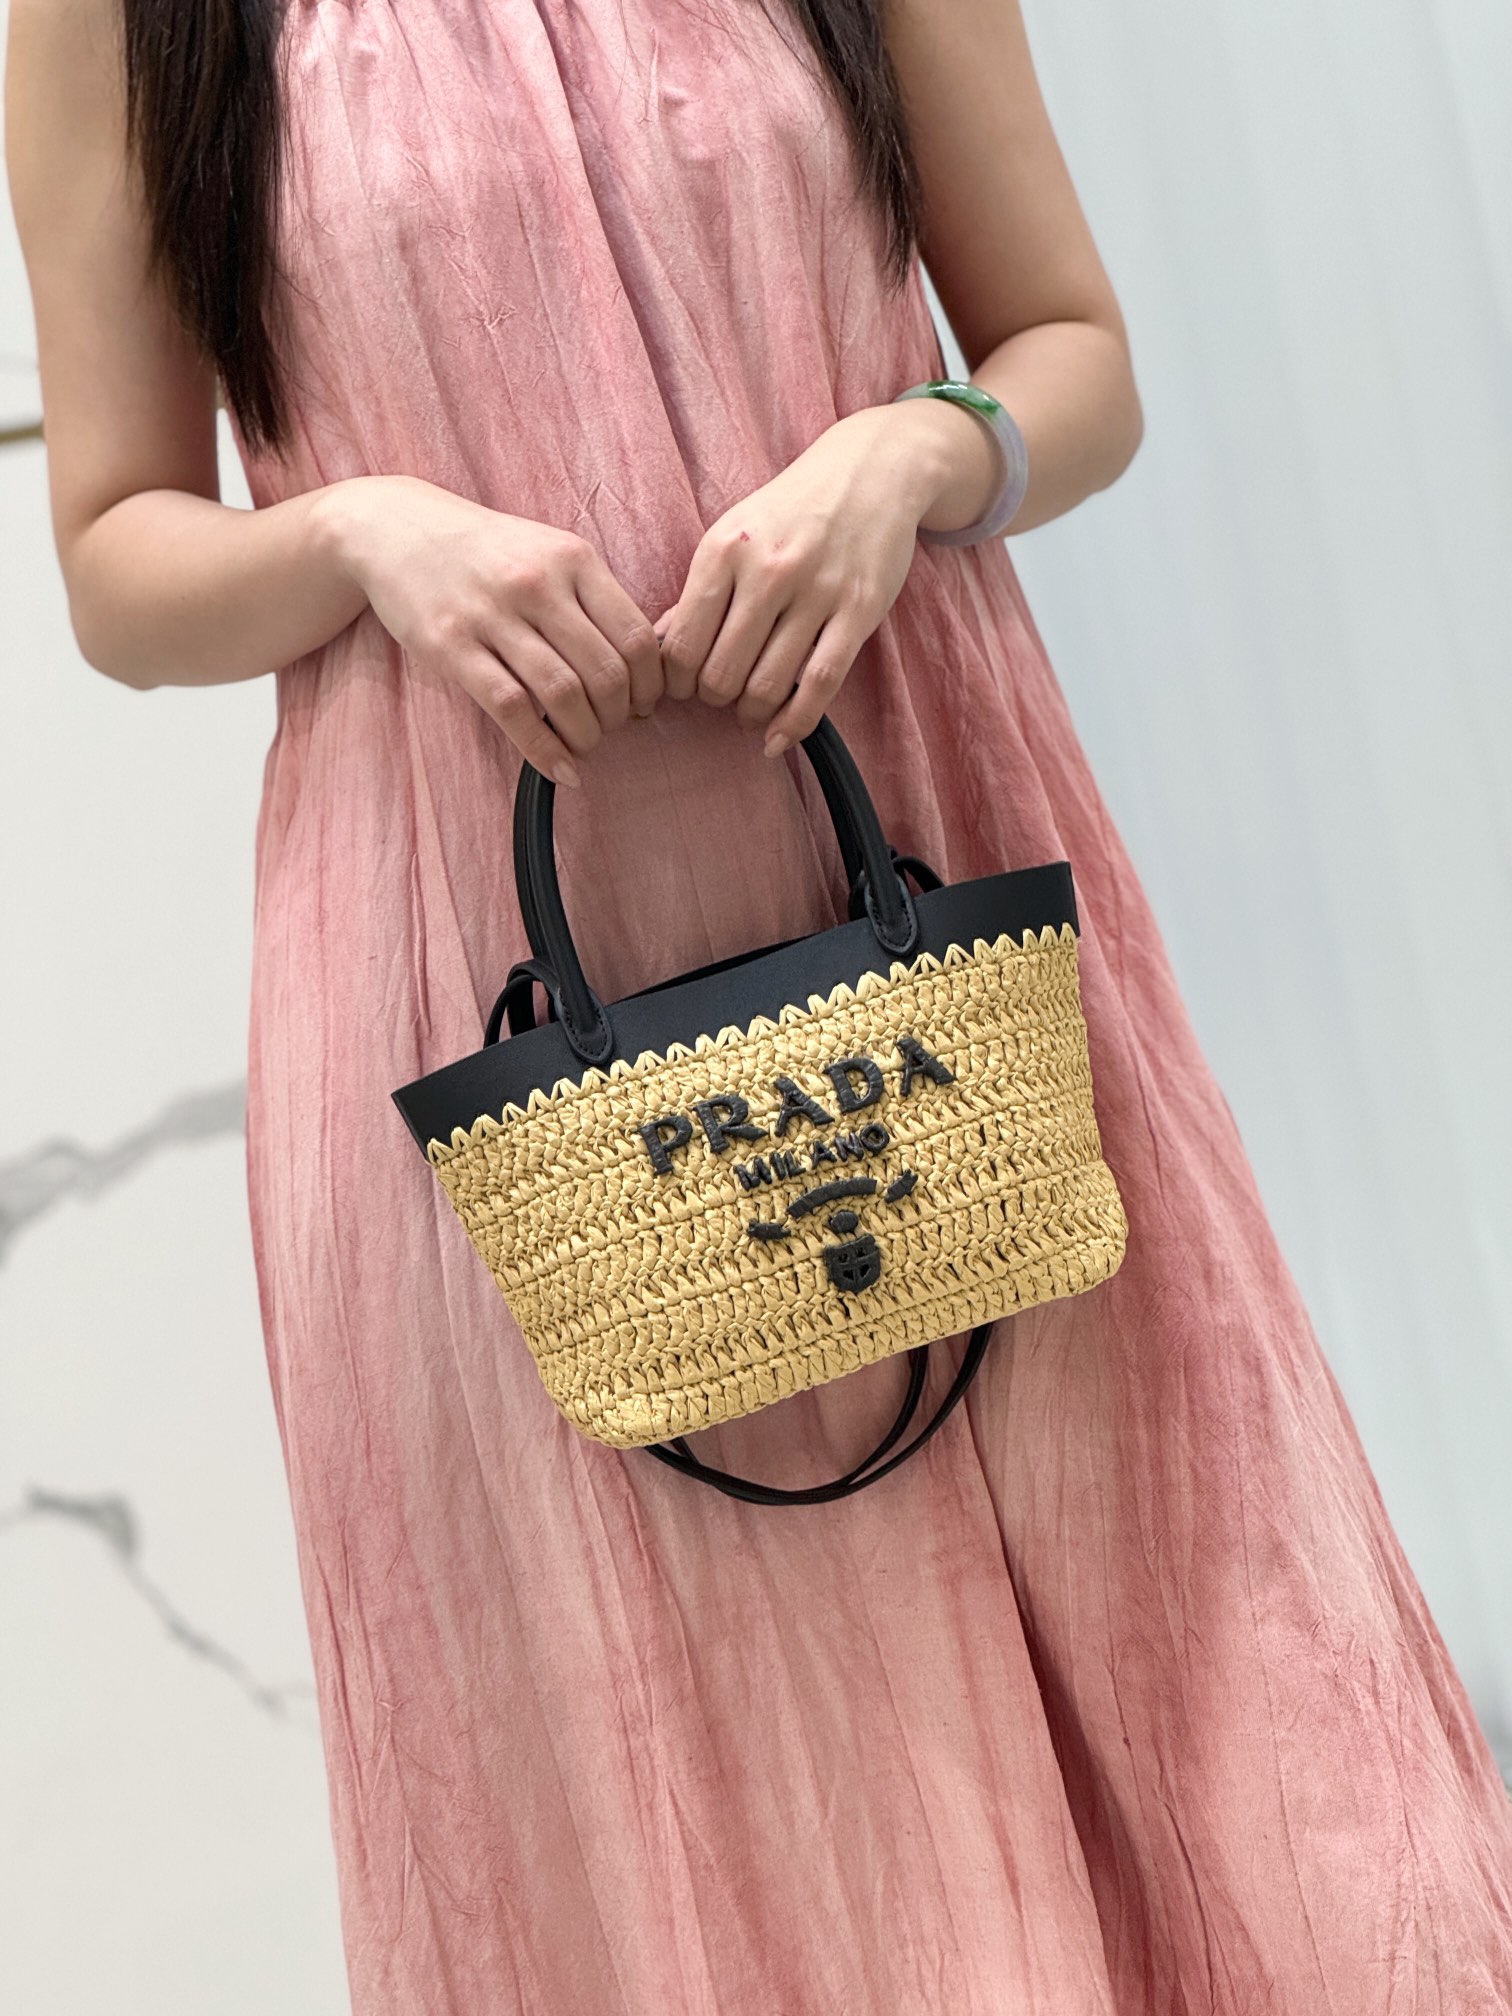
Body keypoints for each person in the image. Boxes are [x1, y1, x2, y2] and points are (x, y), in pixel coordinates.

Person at [8, 0, 1511, 2008]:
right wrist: (364, 537)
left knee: (1193, 1669)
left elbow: (1073, 362)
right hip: (479, 981)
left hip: (930, 904)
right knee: (693, 1760)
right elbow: (119, 562)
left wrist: (917, 449)